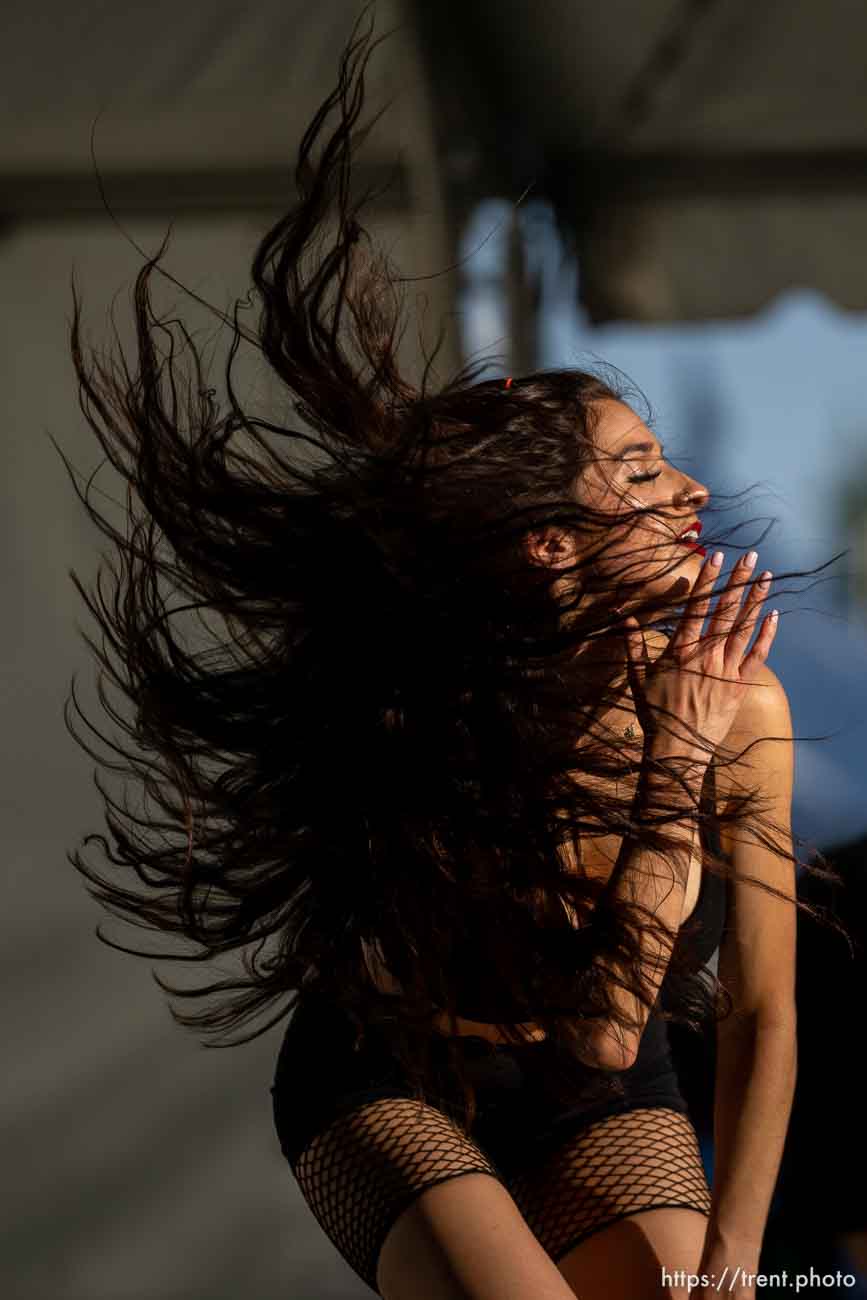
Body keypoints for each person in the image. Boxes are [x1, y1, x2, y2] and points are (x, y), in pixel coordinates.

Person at [57, 8, 846, 1298]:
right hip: (394, 1079)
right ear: (547, 550)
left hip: (596, 1094)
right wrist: (670, 766)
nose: (695, 489)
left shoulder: (745, 707)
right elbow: (595, 1023)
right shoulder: (454, 718)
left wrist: (740, 1262)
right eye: (644, 472)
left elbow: (763, 1016)